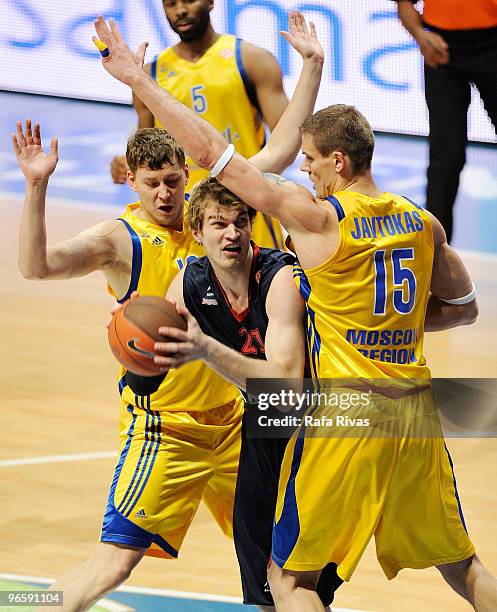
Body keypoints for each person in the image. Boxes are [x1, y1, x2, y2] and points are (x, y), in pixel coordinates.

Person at [92, 17, 497, 611]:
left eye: (310, 160)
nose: (302, 170)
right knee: (463, 565)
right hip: (414, 410)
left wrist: (139, 83)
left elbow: (210, 152)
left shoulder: (319, 220)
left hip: (345, 413)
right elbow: (462, 310)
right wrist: (388, 327)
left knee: (289, 582)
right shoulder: (424, 222)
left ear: (337, 161)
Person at [15, 12, 323, 612]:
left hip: (238, 421)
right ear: (131, 179)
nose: (164, 195)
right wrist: (36, 188)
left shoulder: (217, 211)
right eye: (152, 183)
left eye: (174, 182)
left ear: (189, 177)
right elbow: (38, 268)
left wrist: (311, 66)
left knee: (278, 567)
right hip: (168, 429)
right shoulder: (118, 239)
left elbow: (282, 146)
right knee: (112, 566)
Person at [149, 177, 342, 608]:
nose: (232, 234)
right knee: (261, 582)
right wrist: (135, 339)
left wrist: (206, 349)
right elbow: (153, 355)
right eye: (218, 224)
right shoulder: (188, 285)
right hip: (264, 429)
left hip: (318, 430)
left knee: (295, 580)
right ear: (196, 231)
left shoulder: (280, 279)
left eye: (240, 221)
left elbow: (287, 388)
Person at [111, 0, 290, 250]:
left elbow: (288, 138)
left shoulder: (252, 60)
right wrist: (127, 163)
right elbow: (146, 148)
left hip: (244, 207)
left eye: (189, 0)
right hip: (182, 214)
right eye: (171, 3)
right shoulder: (150, 74)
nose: (180, 10)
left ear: (210, 2)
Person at [394, 0, 497, 243]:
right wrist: (421, 36)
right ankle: (435, 255)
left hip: (493, 45)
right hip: (441, 50)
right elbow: (404, 3)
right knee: (445, 160)